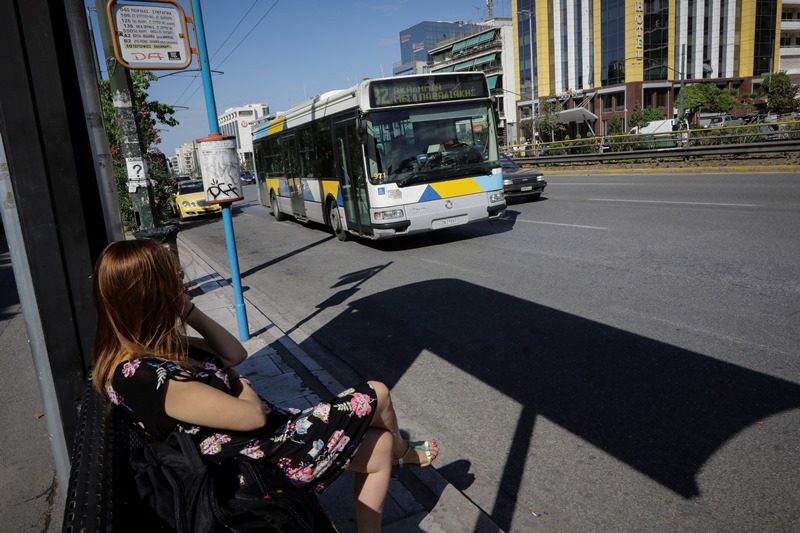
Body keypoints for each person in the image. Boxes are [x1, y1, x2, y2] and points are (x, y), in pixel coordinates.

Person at [91, 239, 439, 533]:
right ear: (151, 295)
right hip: (255, 461)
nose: (181, 285)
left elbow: (234, 352)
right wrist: (241, 383)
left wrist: (190, 311)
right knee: (375, 393)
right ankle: (404, 453)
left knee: (377, 447)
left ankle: (394, 455)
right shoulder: (143, 375)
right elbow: (252, 416)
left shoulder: (156, 349)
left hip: (265, 440)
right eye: (174, 281)